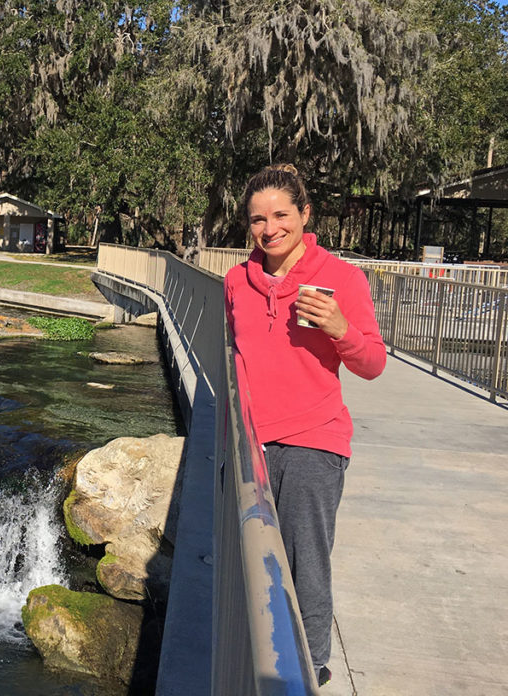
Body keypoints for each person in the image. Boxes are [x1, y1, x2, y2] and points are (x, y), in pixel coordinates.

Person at [224, 163, 386, 687]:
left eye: (280, 215)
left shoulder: (342, 279)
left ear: (305, 214)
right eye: (257, 219)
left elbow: (373, 364)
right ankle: (265, 661)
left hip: (314, 443)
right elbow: (234, 354)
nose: (269, 229)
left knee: (303, 564)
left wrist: (341, 329)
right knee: (257, 561)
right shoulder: (236, 281)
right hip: (252, 444)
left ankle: (309, 669)